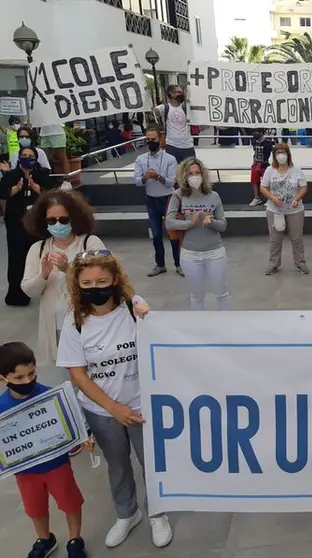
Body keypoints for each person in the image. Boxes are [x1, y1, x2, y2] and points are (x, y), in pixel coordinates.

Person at [56, 251, 173, 550]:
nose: (95, 288)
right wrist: (114, 409)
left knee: (152, 462)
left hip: (142, 404)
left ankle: (158, 513)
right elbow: (78, 375)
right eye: (88, 283)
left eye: (102, 281)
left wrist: (150, 314)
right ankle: (127, 513)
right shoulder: (74, 322)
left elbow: (159, 339)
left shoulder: (133, 309)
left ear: (115, 280)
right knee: (117, 464)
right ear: (77, 285)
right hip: (102, 410)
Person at [0, 342, 91, 558]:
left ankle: (75, 539)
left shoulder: (53, 397)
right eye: (19, 378)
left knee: (70, 503)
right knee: (35, 509)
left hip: (57, 465)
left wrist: (83, 439)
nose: (28, 380)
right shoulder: (1, 410)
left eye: (32, 373)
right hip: (25, 472)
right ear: (3, 379)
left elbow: (73, 427)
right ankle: (44, 539)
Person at [21, 190, 107, 365]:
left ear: (74, 218)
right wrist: (43, 274)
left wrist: (68, 269)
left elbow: (104, 280)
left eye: (63, 220)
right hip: (56, 327)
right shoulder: (38, 248)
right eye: (51, 221)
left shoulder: (90, 243)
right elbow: (30, 290)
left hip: (90, 323)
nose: (57, 224)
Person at [166, 158, 230, 310]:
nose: (195, 177)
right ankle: (199, 328)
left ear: (203, 174)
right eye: (190, 174)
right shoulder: (178, 196)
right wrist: (190, 223)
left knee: (221, 293)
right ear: (184, 177)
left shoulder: (213, 196)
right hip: (190, 254)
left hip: (215, 252)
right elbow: (169, 222)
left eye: (197, 173)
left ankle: (227, 325)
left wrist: (211, 222)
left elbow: (223, 225)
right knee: (196, 296)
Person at [1, 146, 55, 306]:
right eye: (24, 155)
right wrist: (16, 189)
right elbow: (2, 192)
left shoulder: (42, 174)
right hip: (16, 223)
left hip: (37, 223)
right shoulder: (11, 175)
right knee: (17, 258)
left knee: (40, 256)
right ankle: (17, 295)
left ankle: (45, 289)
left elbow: (51, 194)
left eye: (30, 155)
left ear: (36, 158)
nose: (27, 157)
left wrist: (36, 188)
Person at [133, 127, 182, 277]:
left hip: (168, 200)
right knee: (156, 235)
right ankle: (160, 264)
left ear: (160, 139)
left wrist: (158, 177)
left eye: (153, 139)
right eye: (147, 139)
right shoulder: (141, 159)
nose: (150, 142)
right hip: (151, 200)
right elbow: (137, 181)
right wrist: (145, 178)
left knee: (173, 234)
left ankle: (179, 264)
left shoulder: (170, 159)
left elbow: (172, 182)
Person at [260, 142, 309, 275]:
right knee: (275, 238)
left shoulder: (296, 170)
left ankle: (300, 262)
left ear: (288, 154)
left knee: (296, 237)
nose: (281, 156)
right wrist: (273, 198)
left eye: (283, 152)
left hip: (295, 210)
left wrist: (296, 198)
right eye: (278, 153)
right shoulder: (270, 170)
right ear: (274, 156)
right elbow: (263, 187)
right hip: (274, 210)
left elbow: (304, 187)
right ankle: (273, 264)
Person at [154, 84, 195, 164]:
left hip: (188, 145)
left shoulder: (185, 107)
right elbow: (153, 112)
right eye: (179, 92)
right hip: (171, 145)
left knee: (189, 170)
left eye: (182, 92)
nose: (181, 94)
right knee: (172, 171)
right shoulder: (164, 108)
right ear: (171, 94)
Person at [248, 129, 274, 206]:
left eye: (256, 132)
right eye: (253, 132)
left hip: (264, 165)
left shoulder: (268, 143)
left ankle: (270, 199)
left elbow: (272, 152)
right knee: (254, 182)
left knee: (267, 183)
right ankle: (256, 198)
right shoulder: (254, 141)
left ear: (262, 133)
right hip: (255, 164)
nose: (254, 134)